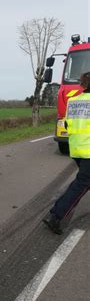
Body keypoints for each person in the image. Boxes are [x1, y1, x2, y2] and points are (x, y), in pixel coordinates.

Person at [43, 71, 90, 235]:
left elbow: (68, 124)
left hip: (76, 148)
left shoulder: (73, 101)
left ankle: (57, 212)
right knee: (82, 183)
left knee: (84, 181)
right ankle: (56, 215)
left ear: (82, 85)